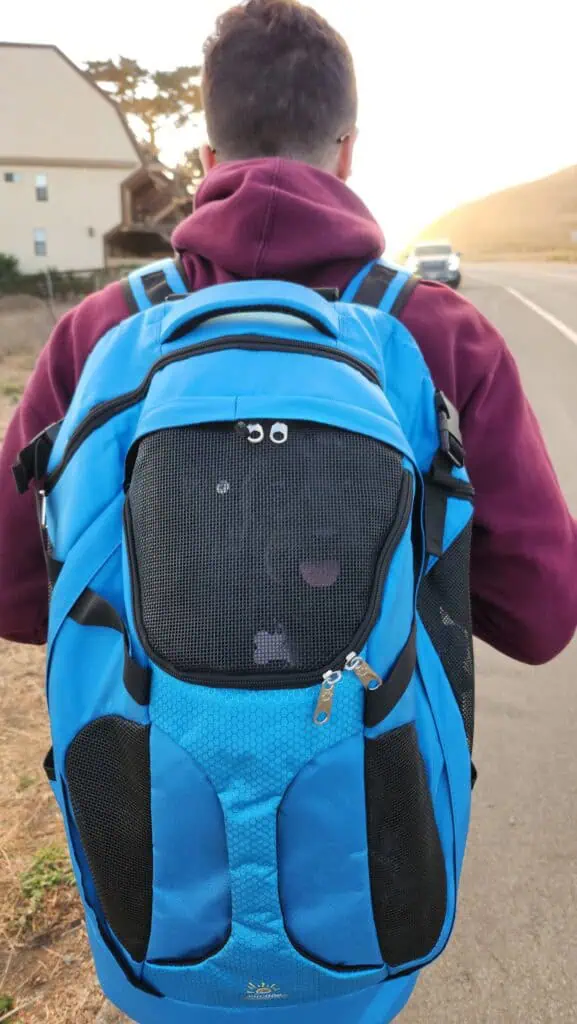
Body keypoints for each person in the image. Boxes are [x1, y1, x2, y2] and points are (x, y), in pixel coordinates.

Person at [0, 2, 575, 1022]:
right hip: (370, 883)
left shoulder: (100, 335)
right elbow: (541, 615)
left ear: (208, 150)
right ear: (348, 148)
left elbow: (11, 598)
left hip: (149, 891)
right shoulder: (436, 334)